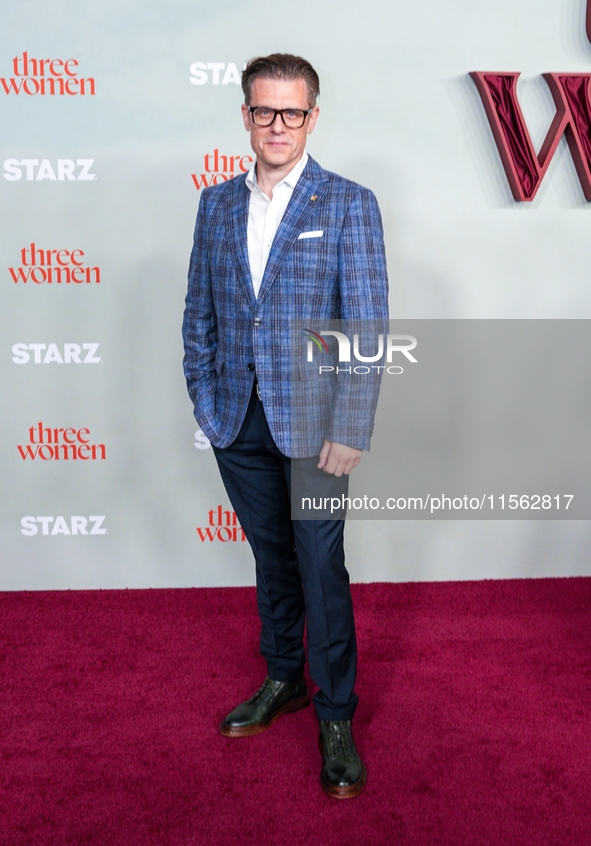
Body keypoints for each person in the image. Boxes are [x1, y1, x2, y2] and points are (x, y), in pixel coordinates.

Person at [182, 53, 389, 799]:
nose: (277, 125)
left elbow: (365, 326)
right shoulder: (213, 204)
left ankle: (336, 715)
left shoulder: (347, 203)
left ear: (312, 117)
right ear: (244, 115)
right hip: (237, 420)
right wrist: (207, 405)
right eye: (263, 111)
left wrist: (352, 425)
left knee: (318, 569)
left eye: (291, 112)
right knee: (271, 561)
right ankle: (283, 679)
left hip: (317, 428)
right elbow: (198, 312)